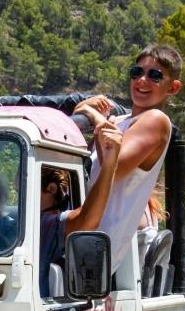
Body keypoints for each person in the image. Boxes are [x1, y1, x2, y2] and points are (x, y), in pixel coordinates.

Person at [73, 42, 182, 269]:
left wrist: (95, 117)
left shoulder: (156, 120)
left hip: (97, 255)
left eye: (155, 75)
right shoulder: (119, 123)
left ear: (172, 88)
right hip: (81, 240)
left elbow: (114, 167)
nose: (142, 80)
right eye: (137, 72)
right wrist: (85, 108)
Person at [36, 110, 124, 295]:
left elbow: (87, 219)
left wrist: (109, 163)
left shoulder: (45, 225)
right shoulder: (21, 225)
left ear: (52, 189)